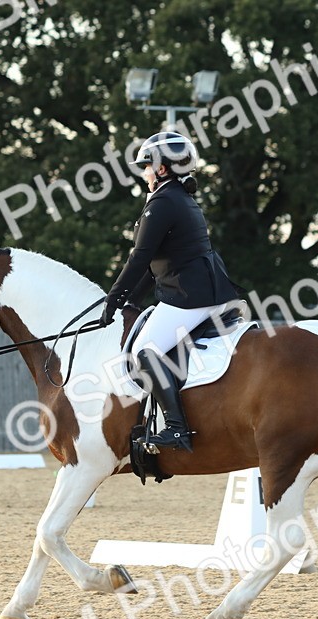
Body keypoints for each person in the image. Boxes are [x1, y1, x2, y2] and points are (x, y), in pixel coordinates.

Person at [99, 131, 239, 452]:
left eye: (147, 166)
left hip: (190, 296)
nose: (144, 173)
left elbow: (140, 258)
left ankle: (177, 428)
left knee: (144, 350)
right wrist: (131, 301)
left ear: (162, 168)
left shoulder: (163, 202)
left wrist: (113, 299)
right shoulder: (180, 198)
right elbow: (157, 264)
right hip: (207, 289)